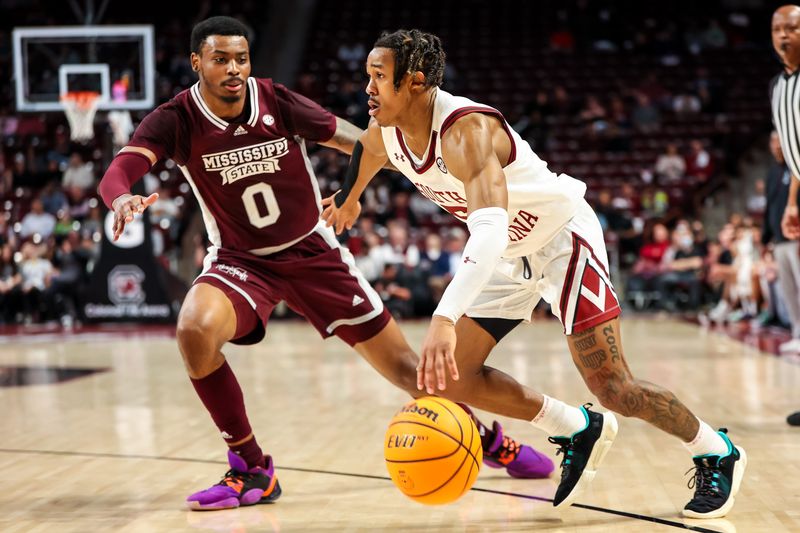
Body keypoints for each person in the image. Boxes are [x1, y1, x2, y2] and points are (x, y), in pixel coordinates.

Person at [97, 17, 553, 512]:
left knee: (408, 372)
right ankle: (251, 468)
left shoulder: (275, 99)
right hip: (240, 261)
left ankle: (486, 440)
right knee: (193, 330)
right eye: (221, 59)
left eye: (242, 58)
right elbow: (120, 171)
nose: (234, 68)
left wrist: (401, 162)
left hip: (314, 253)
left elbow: (358, 139)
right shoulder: (176, 118)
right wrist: (120, 198)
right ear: (196, 63)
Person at [322, 29, 746, 518]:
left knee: (613, 387)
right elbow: (367, 151)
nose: (368, 89)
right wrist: (350, 196)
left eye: (378, 77)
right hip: (509, 254)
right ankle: (575, 427)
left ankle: (716, 450)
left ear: (415, 82)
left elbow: (487, 232)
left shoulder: (467, 131)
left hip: (560, 238)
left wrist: (443, 317)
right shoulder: (387, 131)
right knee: (446, 381)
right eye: (367, 76)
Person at [771, 5, 800, 427]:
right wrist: (793, 202)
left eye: (792, 26)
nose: (783, 34)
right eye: (777, 28)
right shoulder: (780, 85)